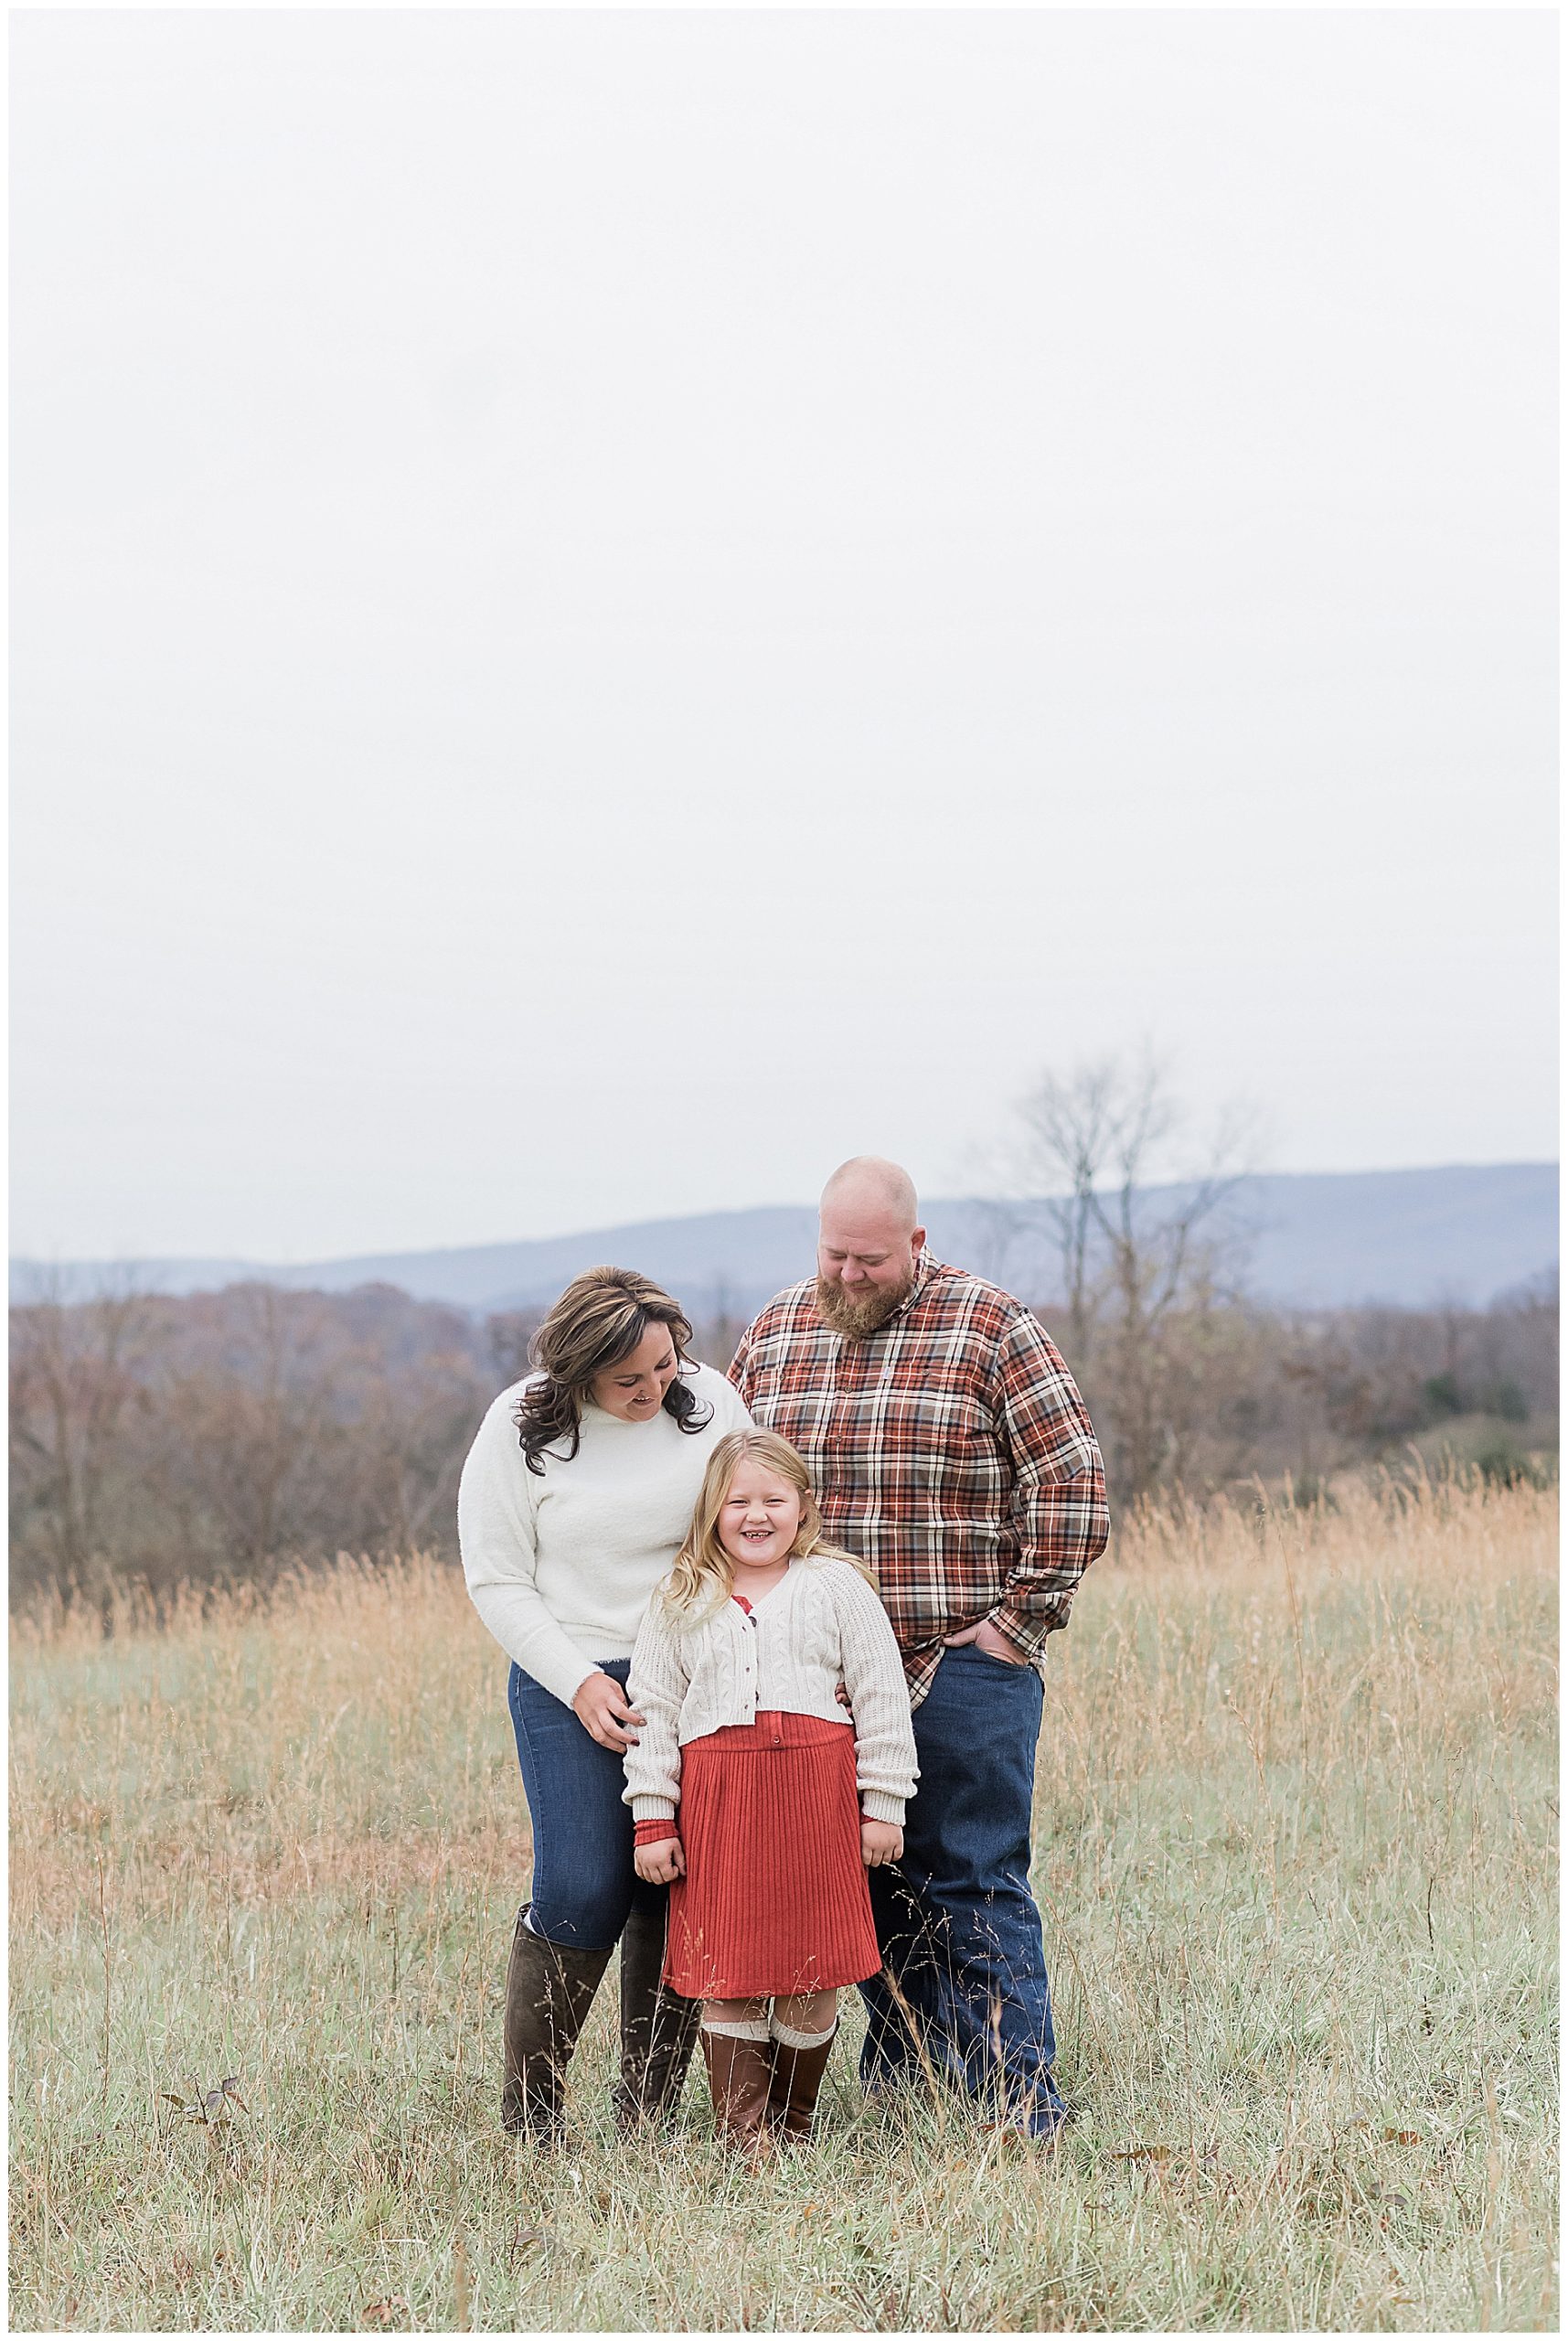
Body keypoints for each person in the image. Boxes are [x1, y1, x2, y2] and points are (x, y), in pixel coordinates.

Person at [730, 1157, 1110, 2138]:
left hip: (958, 1662)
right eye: (833, 1254)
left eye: (869, 1258)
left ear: (916, 1245)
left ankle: (1019, 2106)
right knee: (868, 1886)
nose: (848, 1274)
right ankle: (910, 2086)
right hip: (813, 1682)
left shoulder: (990, 1326)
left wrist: (1012, 1629)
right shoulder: (773, 1334)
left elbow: (1070, 1483)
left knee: (972, 1882)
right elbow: (721, 1486)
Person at [458, 1265, 752, 2140]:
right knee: (585, 1884)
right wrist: (583, 1682)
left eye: (665, 1367)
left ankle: (648, 2117)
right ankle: (533, 2122)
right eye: (629, 1381)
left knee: (677, 1884)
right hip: (570, 1672)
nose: (654, 1390)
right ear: (577, 1372)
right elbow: (498, 1580)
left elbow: (751, 1522)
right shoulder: (519, 1427)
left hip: (698, 1672)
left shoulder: (711, 1403)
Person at [624, 1428, 918, 2154]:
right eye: (736, 1502)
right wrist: (652, 1818)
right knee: (730, 1964)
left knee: (813, 1967)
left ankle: (792, 2125)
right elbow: (653, 1713)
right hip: (721, 1800)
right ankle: (741, 2136)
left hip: (816, 1796)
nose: (756, 1516)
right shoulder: (680, 1595)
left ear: (802, 1506)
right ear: (710, 1512)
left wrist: (882, 1804)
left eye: (773, 1500)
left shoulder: (836, 1585)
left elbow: (882, 1696)